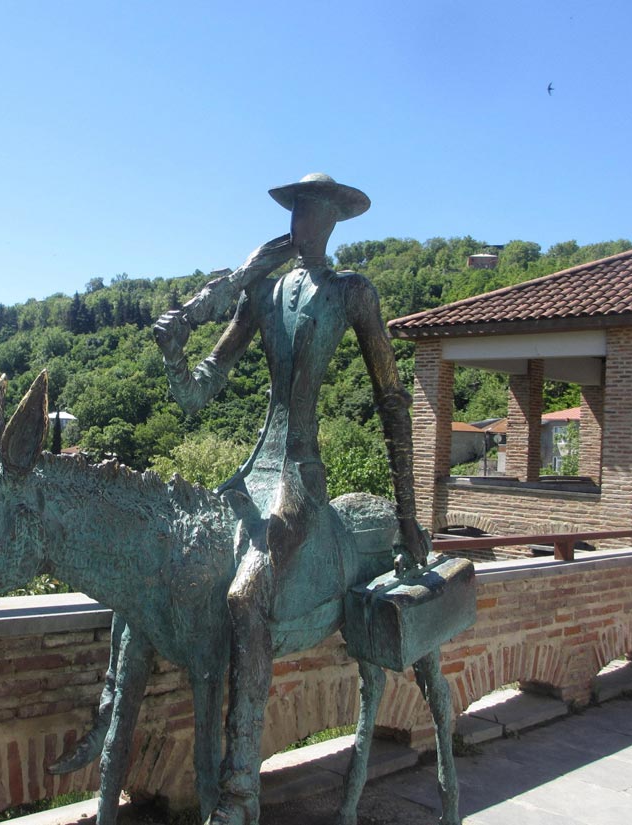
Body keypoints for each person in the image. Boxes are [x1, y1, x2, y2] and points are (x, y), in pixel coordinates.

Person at [153, 173, 430, 824]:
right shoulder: (265, 290)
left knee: (246, 596)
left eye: (311, 214)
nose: (299, 225)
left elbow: (392, 400)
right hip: (250, 472)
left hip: (299, 474)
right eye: (296, 212)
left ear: (332, 222)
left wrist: (410, 514)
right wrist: (174, 353)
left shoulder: (351, 293)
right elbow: (199, 391)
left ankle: (240, 791)